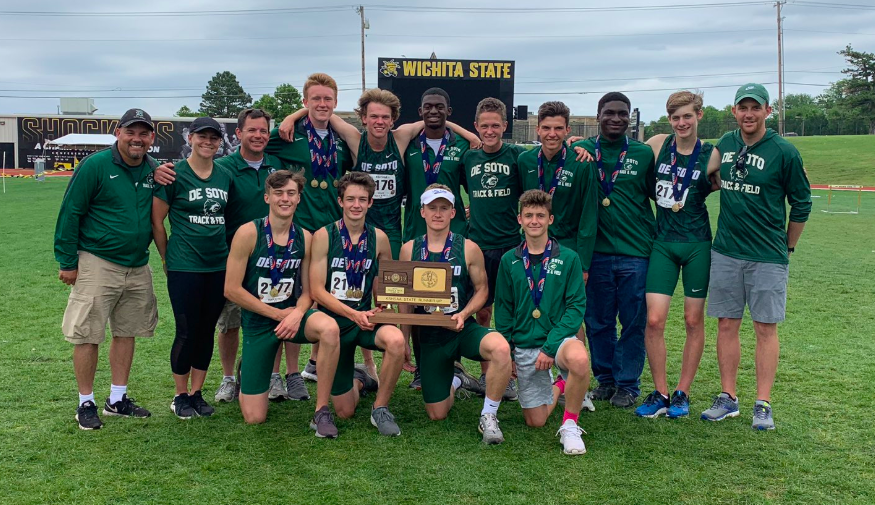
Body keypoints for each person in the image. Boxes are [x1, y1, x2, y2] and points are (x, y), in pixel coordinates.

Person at [279, 89, 479, 384]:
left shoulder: (400, 138)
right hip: (356, 233)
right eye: (373, 116)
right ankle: (337, 360)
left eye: (385, 117)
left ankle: (405, 355)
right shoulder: (355, 139)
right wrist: (292, 115)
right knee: (349, 291)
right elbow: (324, 112)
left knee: (395, 295)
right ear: (363, 118)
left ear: (393, 120)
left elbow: (436, 120)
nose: (379, 122)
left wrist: (470, 135)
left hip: (392, 234)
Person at [154, 109, 309, 403]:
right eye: (251, 130)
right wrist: (155, 168)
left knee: (272, 313)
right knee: (227, 323)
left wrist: (297, 114)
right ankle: (227, 378)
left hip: (270, 257)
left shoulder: (275, 168)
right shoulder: (225, 167)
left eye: (264, 131)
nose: (258, 135)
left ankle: (272, 374)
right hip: (229, 258)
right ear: (238, 134)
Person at [701, 83, 811, 430]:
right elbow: (709, 174)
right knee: (726, 324)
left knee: (765, 328)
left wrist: (788, 246)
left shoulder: (784, 151)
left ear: (767, 111)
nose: (748, 114)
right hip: (727, 251)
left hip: (767, 255)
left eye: (755, 108)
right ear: (734, 111)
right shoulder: (726, 144)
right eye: (742, 108)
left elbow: (802, 202)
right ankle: (728, 397)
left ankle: (762, 403)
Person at [54, 108, 158, 430]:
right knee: (87, 333)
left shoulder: (154, 169)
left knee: (127, 332)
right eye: (131, 132)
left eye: (144, 133)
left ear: (151, 138)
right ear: (118, 133)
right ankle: (86, 401)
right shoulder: (96, 165)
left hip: (138, 264)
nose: (137, 139)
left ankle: (117, 399)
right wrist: (67, 262)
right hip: (97, 262)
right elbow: (70, 212)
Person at [224, 170, 342, 437]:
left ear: (299, 198)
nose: (285, 199)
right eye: (278, 193)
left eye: (291, 193)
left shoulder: (305, 237)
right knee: (254, 417)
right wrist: (278, 315)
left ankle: (321, 410)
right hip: (260, 323)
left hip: (292, 318)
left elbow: (309, 290)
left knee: (330, 329)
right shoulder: (248, 232)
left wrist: (298, 313)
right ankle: (250, 371)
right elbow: (231, 289)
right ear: (267, 197)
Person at [399, 184, 513, 445]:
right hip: (430, 336)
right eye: (432, 208)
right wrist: (404, 338)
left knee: (500, 348)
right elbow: (403, 301)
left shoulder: (469, 248)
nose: (438, 213)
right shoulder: (409, 249)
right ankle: (455, 380)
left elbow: (483, 290)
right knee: (437, 413)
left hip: (462, 327)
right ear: (422, 212)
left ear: (453, 212)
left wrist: (464, 313)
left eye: (444, 208)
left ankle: (489, 415)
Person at [632, 92, 717, 419]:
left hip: (697, 244)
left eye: (687, 117)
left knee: (693, 319)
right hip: (663, 243)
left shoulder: (712, 155)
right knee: (654, 320)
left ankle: (682, 392)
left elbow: (738, 180)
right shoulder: (656, 144)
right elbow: (621, 156)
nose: (681, 123)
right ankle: (661, 391)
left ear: (699, 115)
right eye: (675, 117)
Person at [266, 73, 354, 385]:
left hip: (331, 231)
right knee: (287, 298)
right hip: (297, 231)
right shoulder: (289, 134)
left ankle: (313, 364)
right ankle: (280, 372)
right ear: (305, 103)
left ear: (335, 103)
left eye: (327, 99)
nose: (321, 104)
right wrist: (292, 116)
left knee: (327, 296)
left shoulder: (341, 138)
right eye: (315, 99)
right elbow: (257, 142)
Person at [493, 189, 591, 454]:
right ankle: (561, 384)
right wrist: (509, 351)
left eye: (540, 215)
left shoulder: (568, 258)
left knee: (580, 359)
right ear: (519, 220)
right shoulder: (508, 260)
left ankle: (570, 426)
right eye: (528, 216)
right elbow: (503, 309)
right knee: (535, 422)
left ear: (550, 219)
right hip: (524, 345)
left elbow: (575, 307)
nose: (534, 220)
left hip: (557, 343)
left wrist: (550, 347)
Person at [575, 93, 656, 409]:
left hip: (636, 252)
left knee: (634, 321)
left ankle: (628, 384)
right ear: (598, 115)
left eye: (623, 114)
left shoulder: (643, 153)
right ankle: (605, 380)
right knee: (598, 321)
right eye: (610, 113)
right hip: (596, 252)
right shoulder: (581, 152)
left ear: (629, 118)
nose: (616, 118)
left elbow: (658, 194)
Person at [309, 172, 406, 436]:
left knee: (396, 340)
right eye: (350, 199)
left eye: (362, 200)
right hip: (335, 324)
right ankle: (360, 379)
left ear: (370, 203)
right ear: (340, 201)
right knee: (345, 410)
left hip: (365, 321)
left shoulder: (380, 238)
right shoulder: (324, 235)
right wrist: (353, 314)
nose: (356, 205)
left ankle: (381, 408)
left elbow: (383, 287)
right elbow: (317, 289)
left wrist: (384, 310)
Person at [152, 117, 232, 419]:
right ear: (191, 139)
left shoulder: (224, 175)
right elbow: (157, 221)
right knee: (186, 330)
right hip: (185, 265)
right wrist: (166, 257)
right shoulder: (175, 174)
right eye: (203, 137)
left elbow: (226, 218)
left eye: (214, 138)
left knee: (206, 329)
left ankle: (197, 392)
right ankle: (180, 394)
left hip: (217, 265)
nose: (208, 142)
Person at [463, 97, 528, 400]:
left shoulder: (517, 156)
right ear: (476, 127)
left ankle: (510, 372)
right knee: (482, 309)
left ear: (505, 126)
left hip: (511, 245)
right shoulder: (468, 159)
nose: (490, 131)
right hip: (478, 245)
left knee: (510, 311)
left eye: (495, 125)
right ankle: (487, 372)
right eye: (484, 126)